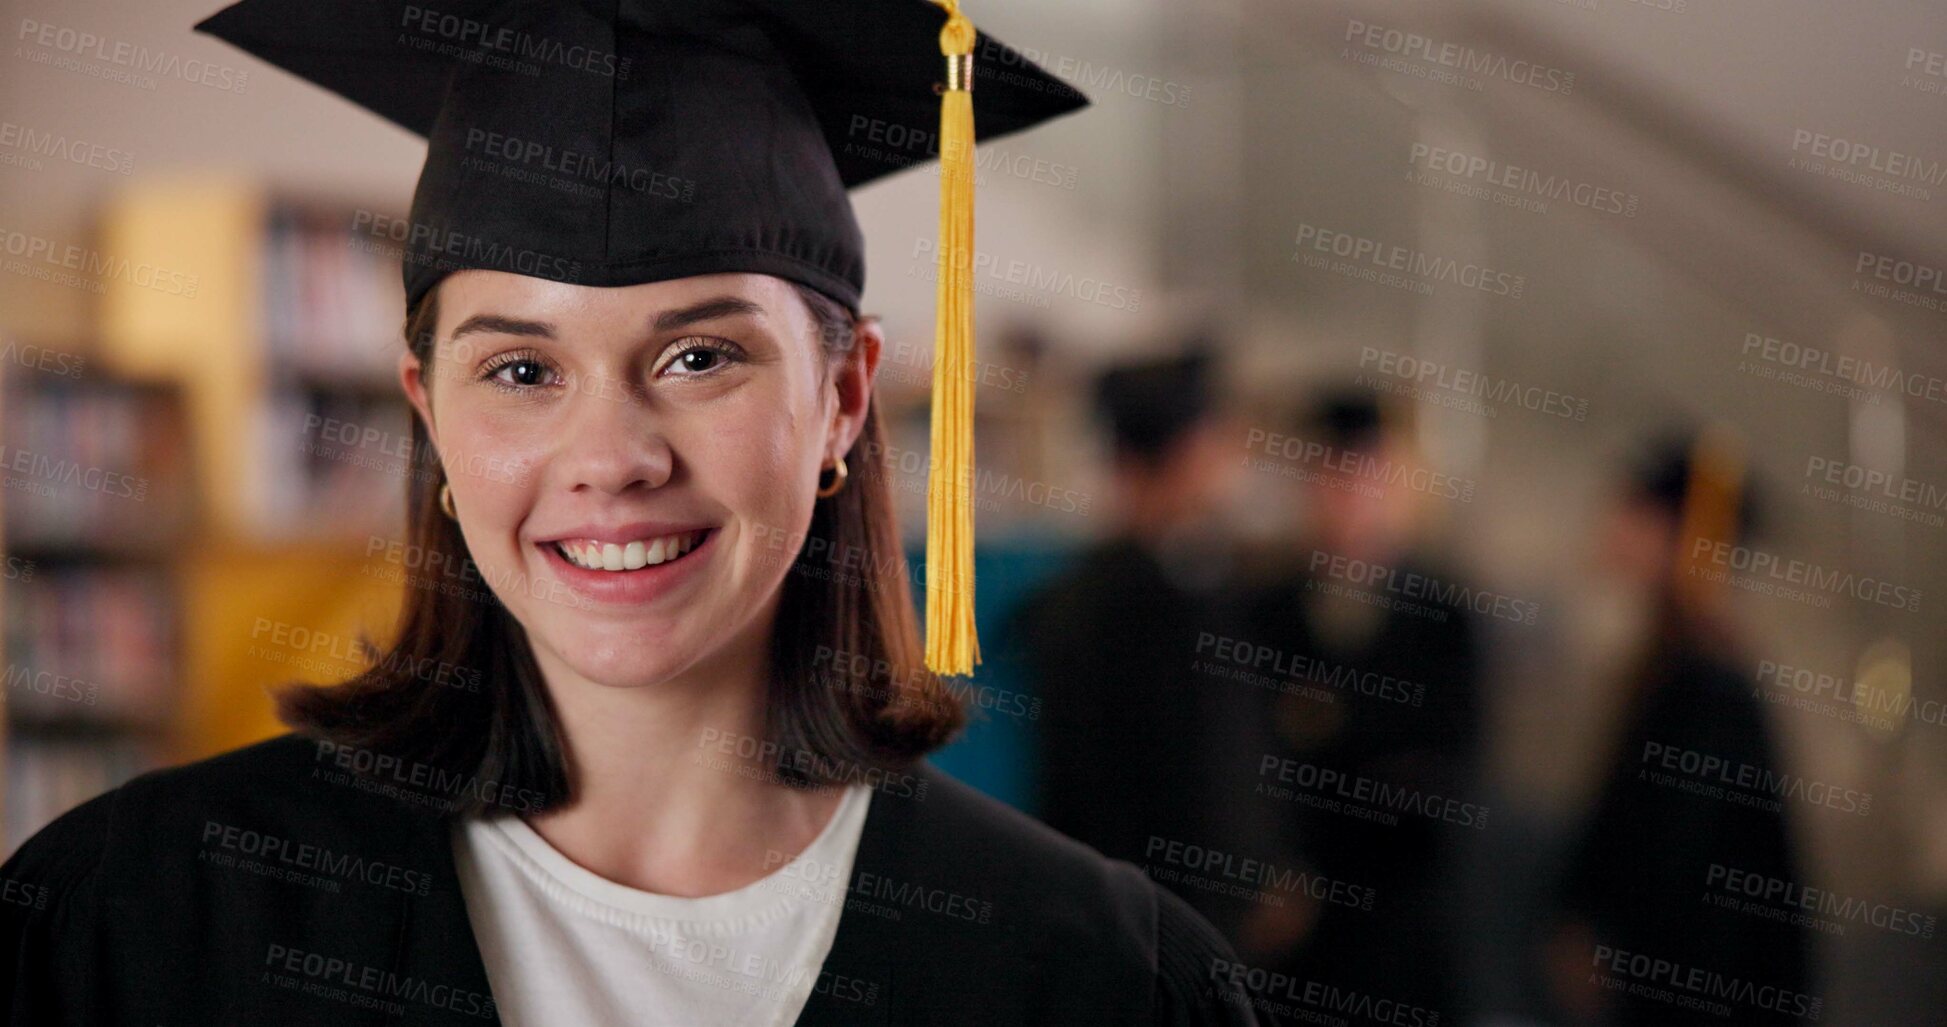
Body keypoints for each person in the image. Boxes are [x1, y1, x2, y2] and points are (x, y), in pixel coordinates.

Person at [0, 2, 1256, 1024]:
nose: (610, 457)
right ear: (427, 411)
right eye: (521, 370)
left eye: (702, 357)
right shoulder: (139, 920)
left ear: (843, 397)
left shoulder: (1096, 978)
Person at [1549, 430, 1811, 1026]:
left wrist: (1600, 934)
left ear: (1681, 537)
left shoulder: (1708, 686)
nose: (1614, 525)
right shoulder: (1671, 665)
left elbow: (1675, 859)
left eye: (1636, 511)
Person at [1239, 388, 1484, 1022]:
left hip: (1400, 912)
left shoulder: (1441, 616)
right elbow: (1247, 756)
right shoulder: (1265, 609)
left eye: (1367, 480)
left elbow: (1454, 767)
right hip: (1293, 916)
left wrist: (1339, 732)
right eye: (1334, 479)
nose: (1349, 498)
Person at [1011, 345, 1265, 940]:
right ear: (1181, 457)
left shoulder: (1184, 588)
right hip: (1152, 921)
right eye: (1213, 444)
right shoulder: (1132, 610)